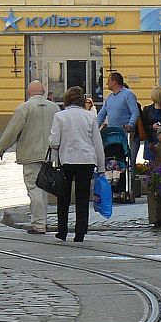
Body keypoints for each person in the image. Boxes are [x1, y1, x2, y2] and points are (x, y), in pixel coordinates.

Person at [0, 81, 59, 234]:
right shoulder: (55, 108)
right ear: (43, 91)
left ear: (28, 92)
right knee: (44, 189)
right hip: (50, 155)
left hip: (30, 155)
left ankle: (38, 224)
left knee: (34, 189)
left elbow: (12, 131)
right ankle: (41, 221)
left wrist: (1, 149)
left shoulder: (24, 108)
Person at [49, 86, 105, 242]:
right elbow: (97, 143)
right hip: (86, 160)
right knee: (82, 197)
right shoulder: (90, 117)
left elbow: (54, 142)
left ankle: (62, 231)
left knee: (63, 196)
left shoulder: (60, 116)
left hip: (67, 160)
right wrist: (101, 167)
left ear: (66, 99)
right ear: (81, 100)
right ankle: (80, 232)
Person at [138, 86, 161, 162]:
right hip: (151, 138)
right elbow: (144, 125)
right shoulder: (147, 109)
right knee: (151, 162)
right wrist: (152, 126)